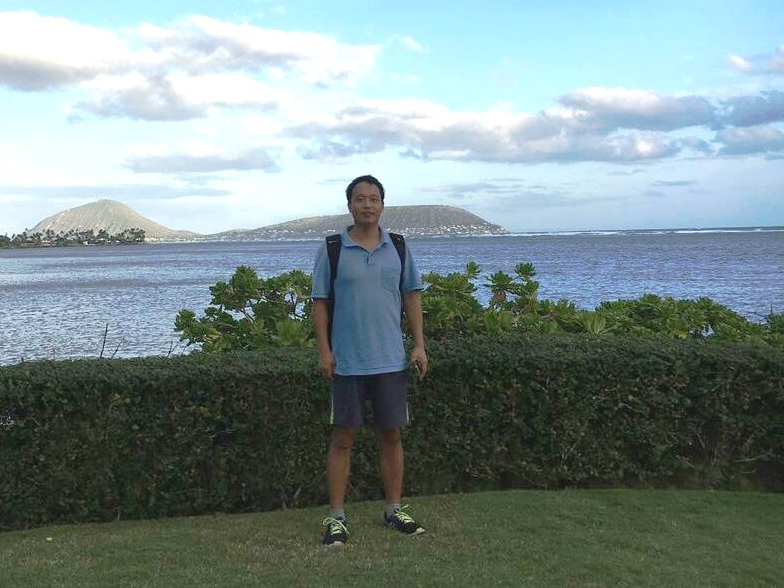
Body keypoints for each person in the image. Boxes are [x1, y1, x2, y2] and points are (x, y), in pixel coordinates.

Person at [311, 174, 428, 547]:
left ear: (382, 205)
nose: (367, 204)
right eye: (360, 199)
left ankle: (394, 510)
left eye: (373, 199)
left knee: (391, 436)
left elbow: (412, 296)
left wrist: (419, 345)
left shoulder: (398, 246)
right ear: (350, 205)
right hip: (346, 362)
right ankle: (336, 518)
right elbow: (320, 303)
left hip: (390, 360)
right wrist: (325, 351)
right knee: (343, 438)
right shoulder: (332, 247)